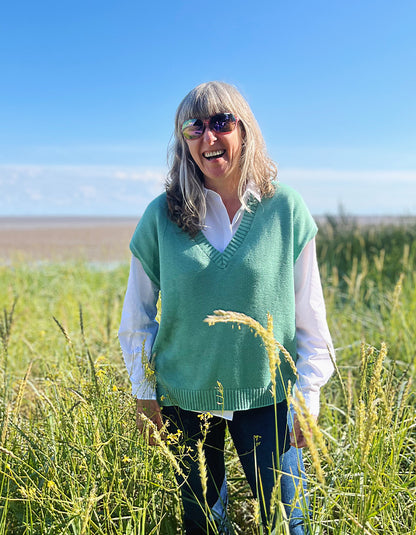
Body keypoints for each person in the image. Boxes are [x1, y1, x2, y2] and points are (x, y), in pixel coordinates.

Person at [118, 81, 334, 534]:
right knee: (201, 524)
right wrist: (143, 391)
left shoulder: (285, 210)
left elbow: (309, 313)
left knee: (289, 524)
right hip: (185, 399)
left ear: (245, 130)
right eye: (192, 128)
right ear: (183, 141)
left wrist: (308, 394)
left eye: (221, 123)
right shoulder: (160, 216)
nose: (207, 138)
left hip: (269, 396)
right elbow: (137, 315)